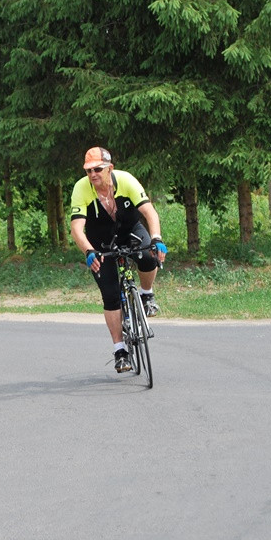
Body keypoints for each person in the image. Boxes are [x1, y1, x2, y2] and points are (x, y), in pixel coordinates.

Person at [70, 147, 168, 374]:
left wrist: (156, 238)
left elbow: (150, 213)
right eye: (88, 171)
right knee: (111, 294)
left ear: (109, 168)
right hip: (100, 242)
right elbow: (76, 227)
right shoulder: (81, 189)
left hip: (130, 230)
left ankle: (146, 294)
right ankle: (120, 350)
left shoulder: (126, 181)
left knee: (147, 256)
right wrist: (88, 251)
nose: (93, 174)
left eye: (97, 169)